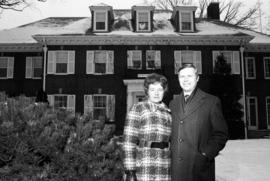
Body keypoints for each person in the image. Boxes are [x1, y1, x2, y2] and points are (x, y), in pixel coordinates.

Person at [169, 63, 228, 181]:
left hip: (199, 170)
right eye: (182, 76)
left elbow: (221, 134)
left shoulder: (211, 101)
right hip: (177, 170)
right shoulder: (173, 103)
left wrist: (205, 154)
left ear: (197, 78)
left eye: (189, 76)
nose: (185, 80)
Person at [123, 73, 172, 181]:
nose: (156, 93)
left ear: (164, 91)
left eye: (160, 89)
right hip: (144, 163)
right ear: (147, 91)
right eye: (152, 89)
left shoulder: (168, 112)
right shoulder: (138, 108)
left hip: (164, 164)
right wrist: (130, 171)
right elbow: (128, 141)